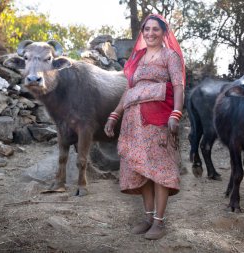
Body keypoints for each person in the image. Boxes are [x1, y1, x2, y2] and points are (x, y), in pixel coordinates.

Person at [104, 14, 186, 240]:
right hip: (133, 122)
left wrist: (176, 113)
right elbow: (129, 90)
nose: (150, 33)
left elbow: (178, 86)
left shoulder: (171, 56)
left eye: (155, 29)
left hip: (157, 119)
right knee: (142, 170)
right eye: (146, 29)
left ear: (164, 33)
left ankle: (159, 222)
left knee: (159, 170)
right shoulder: (137, 59)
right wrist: (114, 114)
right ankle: (148, 217)